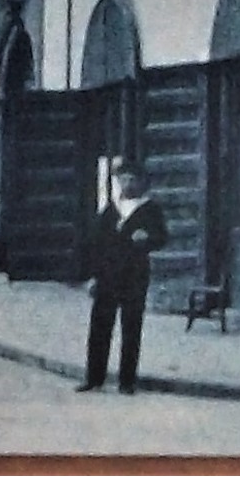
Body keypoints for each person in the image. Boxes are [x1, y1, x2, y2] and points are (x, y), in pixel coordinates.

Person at [76, 160, 167, 395]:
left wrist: (147, 238)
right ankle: (94, 377)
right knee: (99, 327)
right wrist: (93, 276)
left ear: (141, 182)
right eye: (122, 179)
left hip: (135, 275)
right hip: (107, 276)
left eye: (131, 179)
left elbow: (162, 237)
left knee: (131, 328)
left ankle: (127, 381)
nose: (126, 184)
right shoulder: (111, 209)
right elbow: (97, 243)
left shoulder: (150, 209)